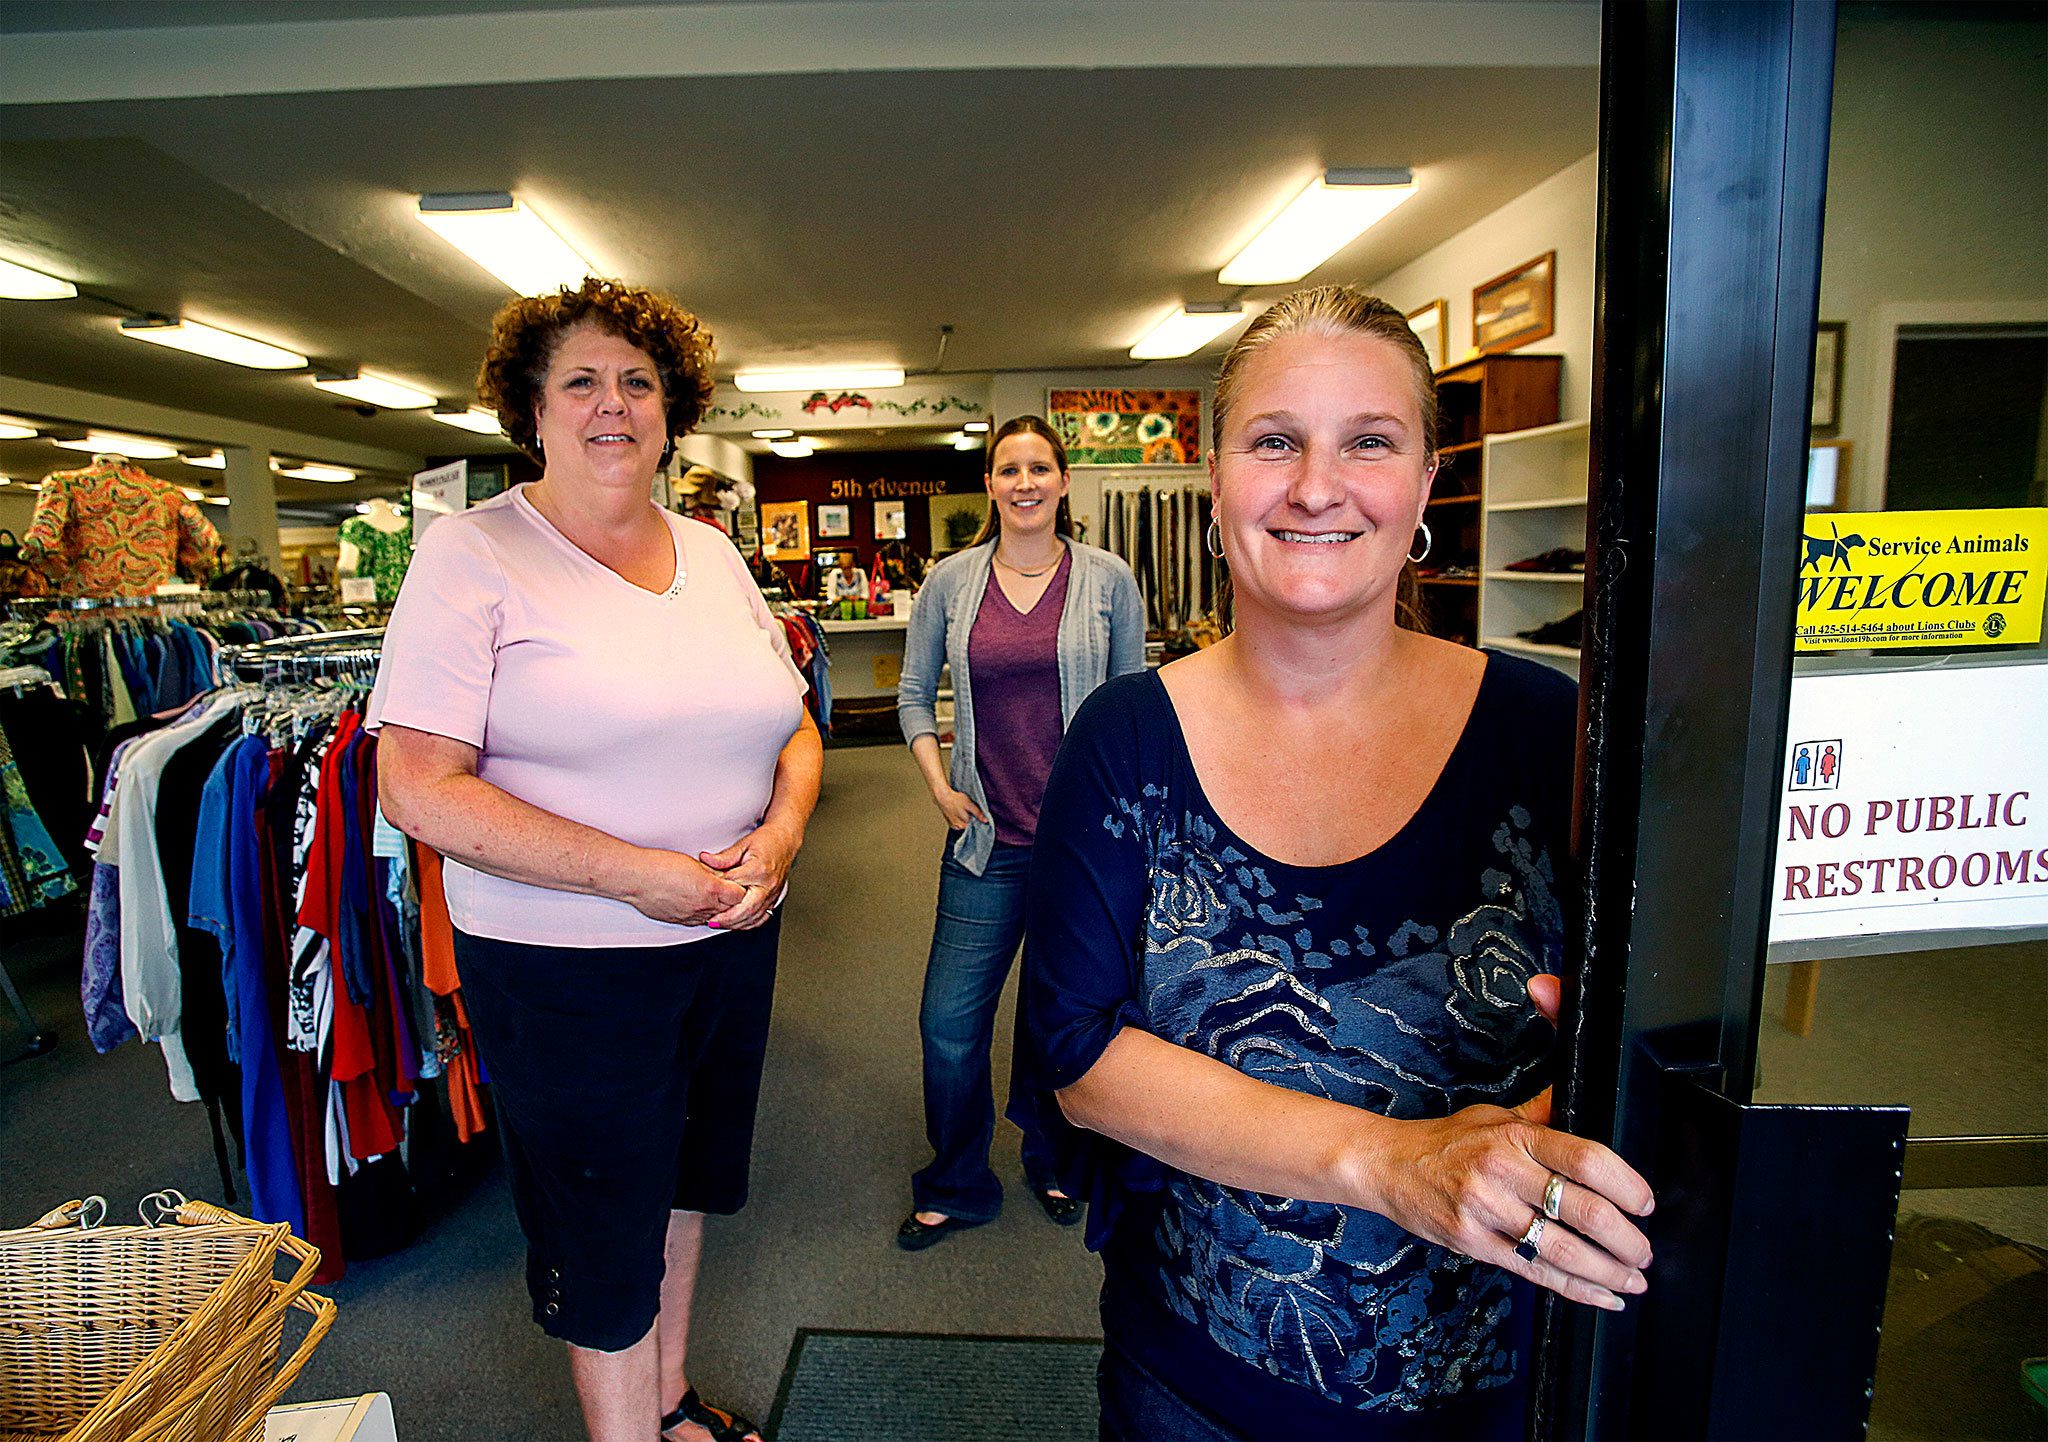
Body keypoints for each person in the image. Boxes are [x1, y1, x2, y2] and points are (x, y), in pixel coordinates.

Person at [1019, 286, 1656, 1440]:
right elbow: (1077, 1051)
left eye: (1368, 440)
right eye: (1275, 441)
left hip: (1503, 1367)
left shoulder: (1547, 733)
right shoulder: (1121, 740)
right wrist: (1391, 1162)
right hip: (1201, 1377)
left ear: (1422, 483)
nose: (1317, 485)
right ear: (1215, 480)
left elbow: (1653, 1030)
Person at [372, 277, 820, 1442]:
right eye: (580, 380)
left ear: (673, 410)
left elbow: (796, 725)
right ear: (530, 408)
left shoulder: (716, 556)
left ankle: (666, 1405)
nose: (612, 404)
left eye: (637, 381)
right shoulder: (470, 558)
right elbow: (417, 786)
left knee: (680, 1186)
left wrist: (775, 839)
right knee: (599, 1225)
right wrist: (633, 872)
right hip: (567, 967)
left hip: (726, 940)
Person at [894, 416, 1146, 1249]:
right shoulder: (952, 582)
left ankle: (1053, 1155)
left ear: (1064, 482)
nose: (1025, 482)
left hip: (1081, 852)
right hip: (985, 844)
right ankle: (958, 1178)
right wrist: (939, 784)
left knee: (1060, 1018)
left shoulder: (1109, 579)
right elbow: (911, 692)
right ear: (992, 484)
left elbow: (1129, 707)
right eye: (1009, 469)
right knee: (948, 1023)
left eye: (1041, 468)